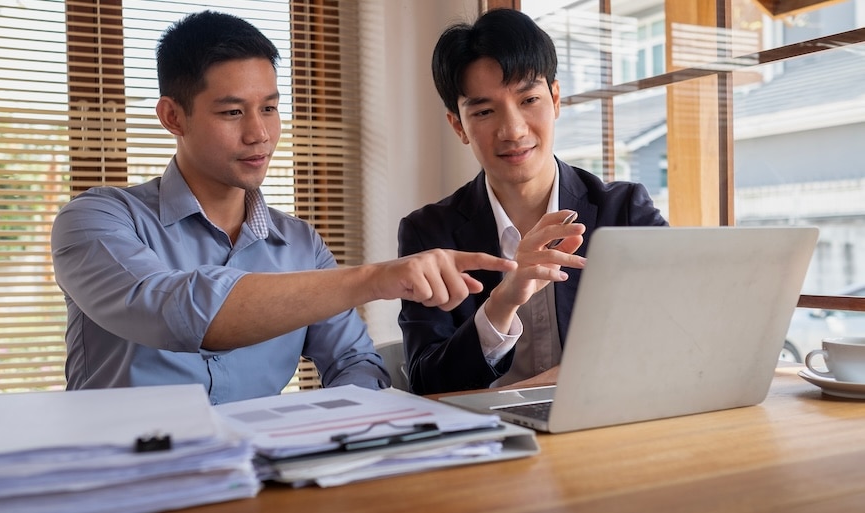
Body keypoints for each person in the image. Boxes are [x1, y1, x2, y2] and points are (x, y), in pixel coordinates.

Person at [50, 10, 515, 404]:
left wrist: (330, 433)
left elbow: (356, 363)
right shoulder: (96, 221)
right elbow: (175, 312)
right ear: (173, 116)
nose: (260, 134)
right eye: (233, 112)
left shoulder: (300, 245)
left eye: (269, 108)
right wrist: (376, 278)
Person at [398, 8, 667, 395]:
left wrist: (540, 388)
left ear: (555, 99)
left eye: (529, 100)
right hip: (491, 442)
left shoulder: (624, 211)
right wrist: (501, 303)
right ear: (458, 125)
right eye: (485, 111)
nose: (513, 130)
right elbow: (427, 381)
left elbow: (673, 340)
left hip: (604, 430)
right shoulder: (429, 233)